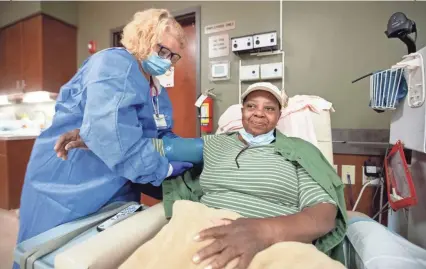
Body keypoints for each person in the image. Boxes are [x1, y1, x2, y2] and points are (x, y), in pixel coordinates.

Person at [55, 82, 347, 269]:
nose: (259, 114)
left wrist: (264, 231)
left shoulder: (299, 153)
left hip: (279, 238)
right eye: (251, 106)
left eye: (269, 108)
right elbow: (160, 147)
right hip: (201, 226)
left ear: (279, 116)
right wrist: (96, 138)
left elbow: (323, 214)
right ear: (242, 111)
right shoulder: (216, 143)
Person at [15, 8, 194, 250]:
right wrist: (164, 168)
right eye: (162, 50)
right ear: (142, 38)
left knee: (108, 249)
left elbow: (160, 133)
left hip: (118, 180)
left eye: (173, 56)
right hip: (70, 179)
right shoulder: (115, 64)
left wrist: (185, 151)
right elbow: (113, 136)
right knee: (53, 252)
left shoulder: (156, 89)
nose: (166, 60)